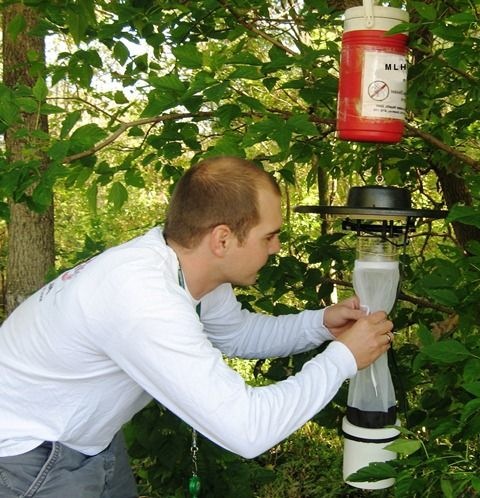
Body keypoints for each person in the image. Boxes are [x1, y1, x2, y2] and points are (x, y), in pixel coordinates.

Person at [0, 156, 394, 497]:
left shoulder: (186, 267)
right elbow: (248, 429)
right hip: (27, 456)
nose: (275, 248)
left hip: (86, 439)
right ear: (222, 239)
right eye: (269, 236)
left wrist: (322, 325)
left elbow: (236, 334)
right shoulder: (143, 300)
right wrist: (343, 358)